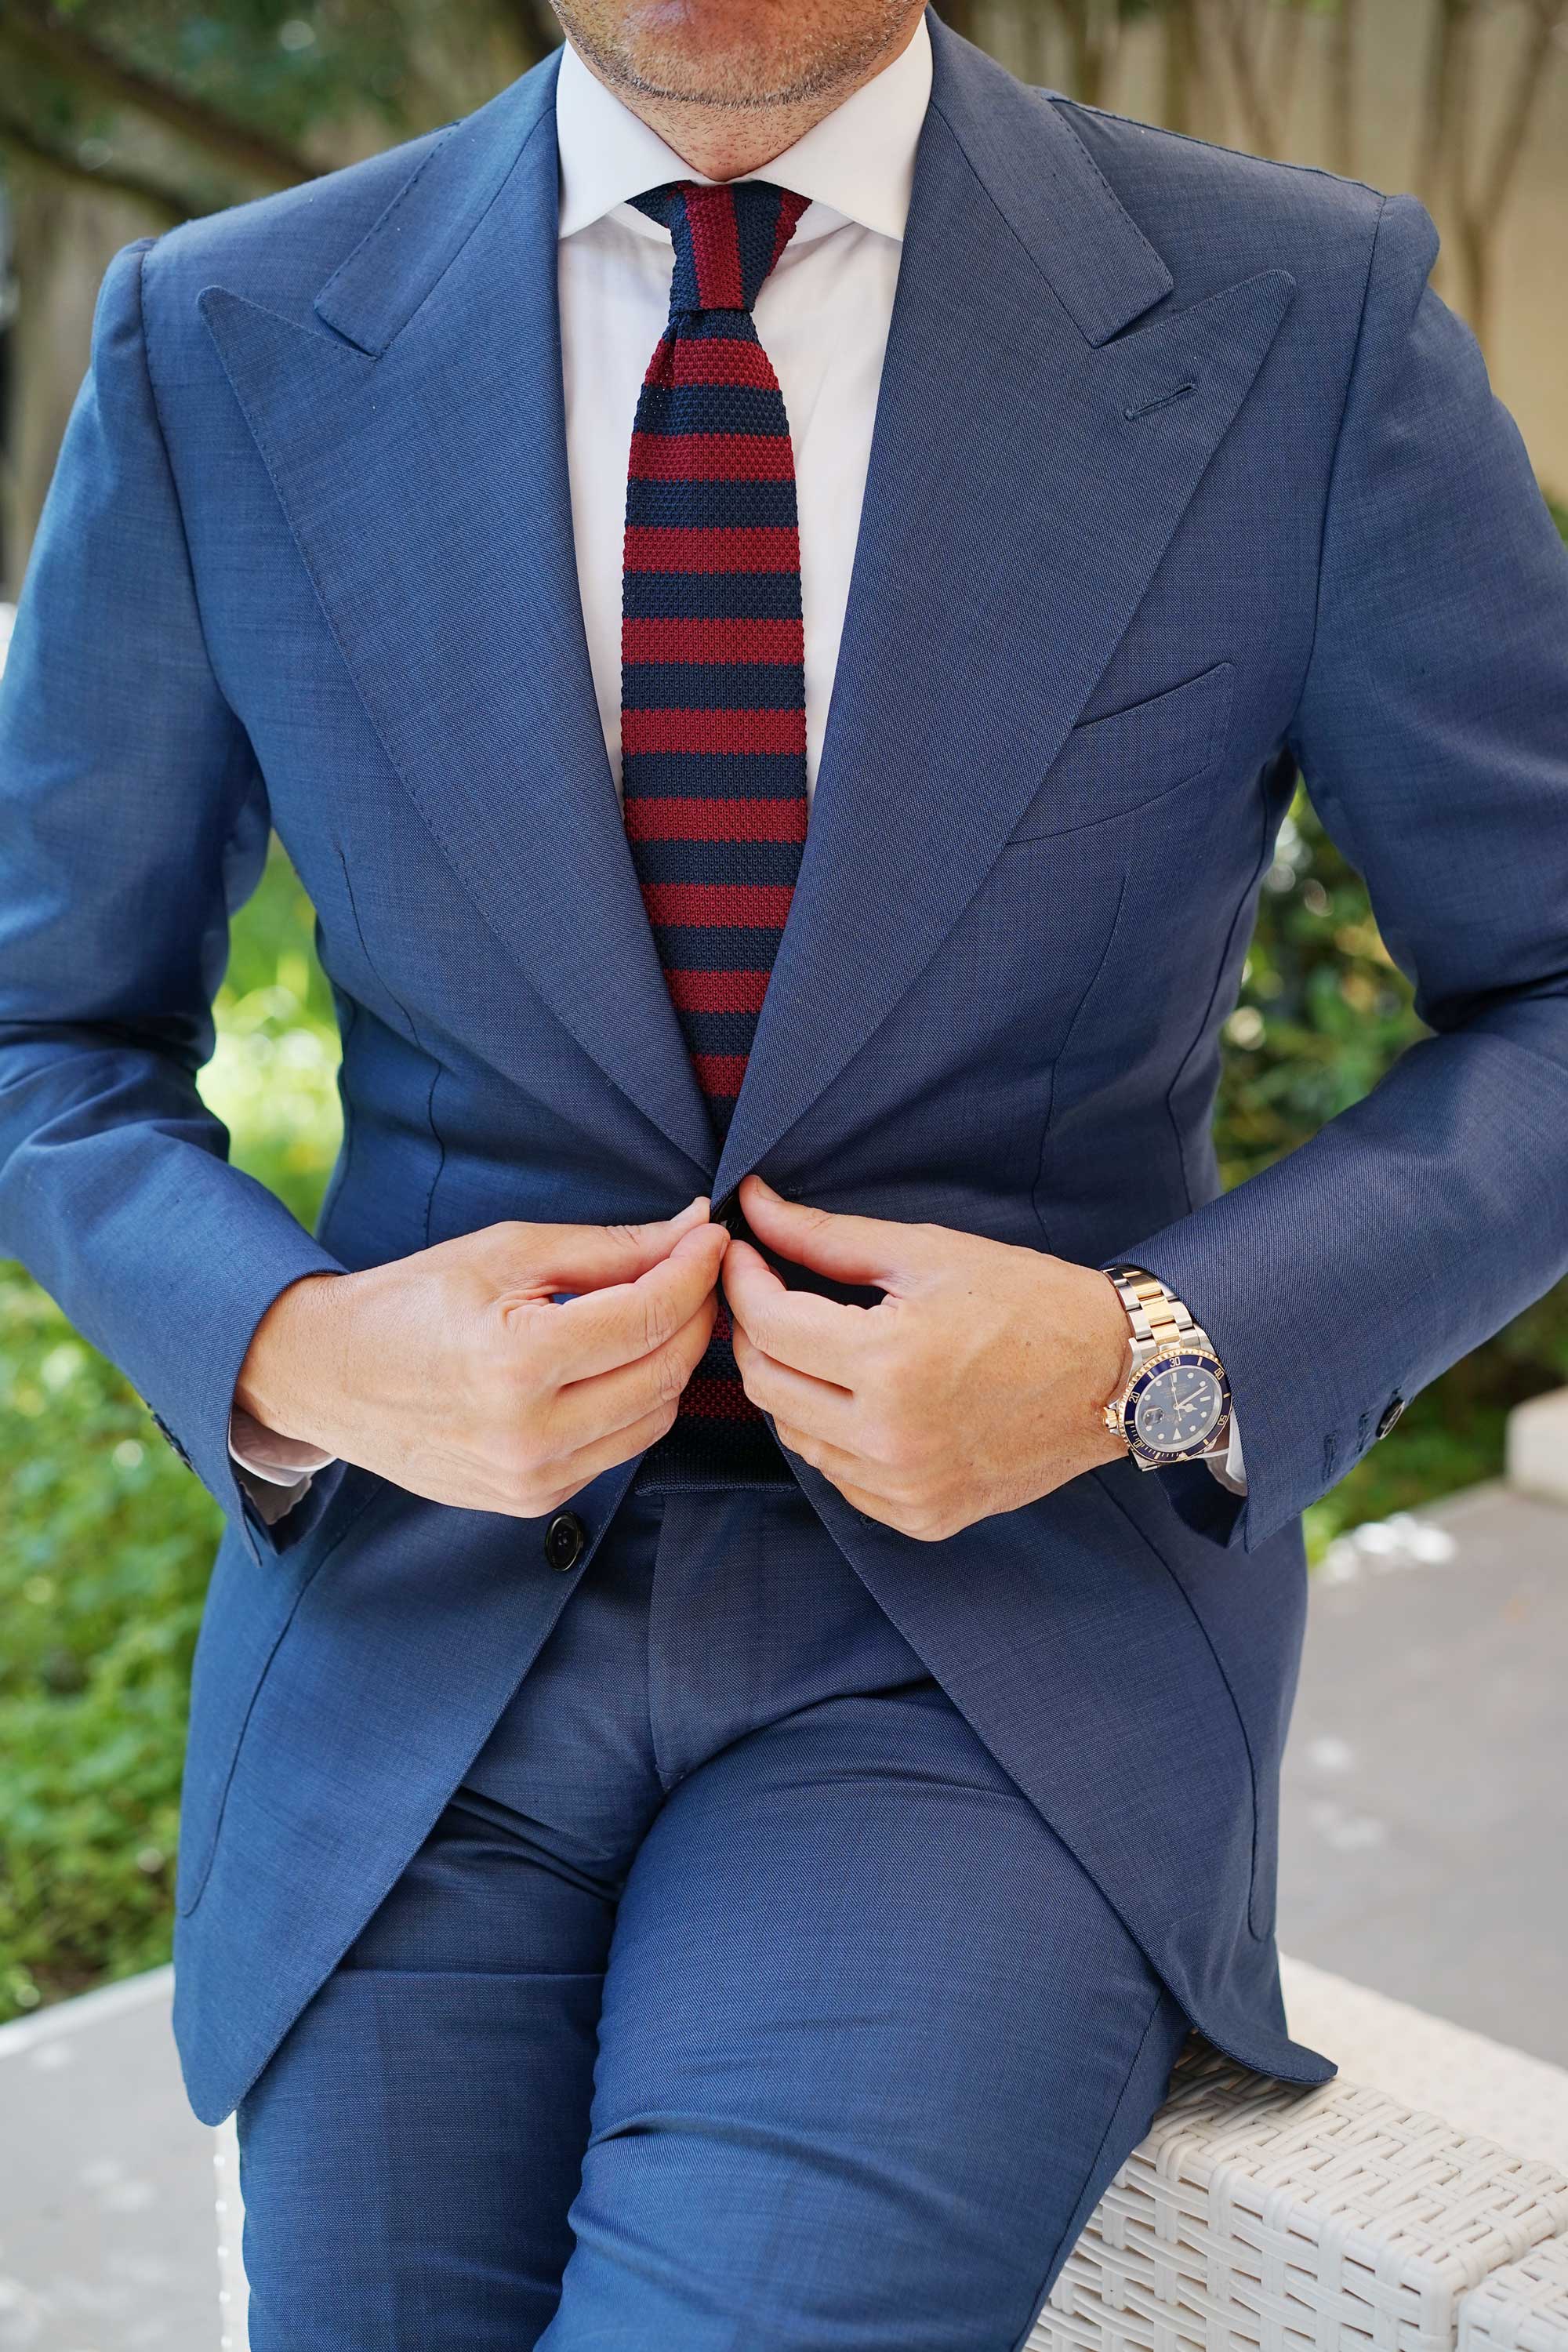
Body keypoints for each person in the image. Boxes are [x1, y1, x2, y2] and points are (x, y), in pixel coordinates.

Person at [2, 0, 1566, 2342]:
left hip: (994, 1654)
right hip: (420, 1645)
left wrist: (1159, 1353)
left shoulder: (1293, 311)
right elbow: (45, 1023)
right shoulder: (221, 331)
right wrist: (302, 1351)